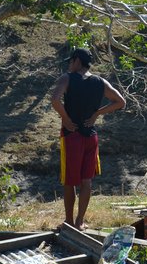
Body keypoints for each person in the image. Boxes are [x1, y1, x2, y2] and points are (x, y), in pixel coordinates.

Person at [51, 48, 126, 230]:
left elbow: (55, 100)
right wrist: (97, 114)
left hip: (72, 136)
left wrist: (66, 120)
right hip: (91, 136)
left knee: (69, 181)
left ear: (77, 61)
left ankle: (69, 221)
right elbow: (121, 102)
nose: (69, 65)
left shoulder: (67, 78)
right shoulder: (100, 82)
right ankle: (80, 221)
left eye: (71, 61)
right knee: (86, 181)